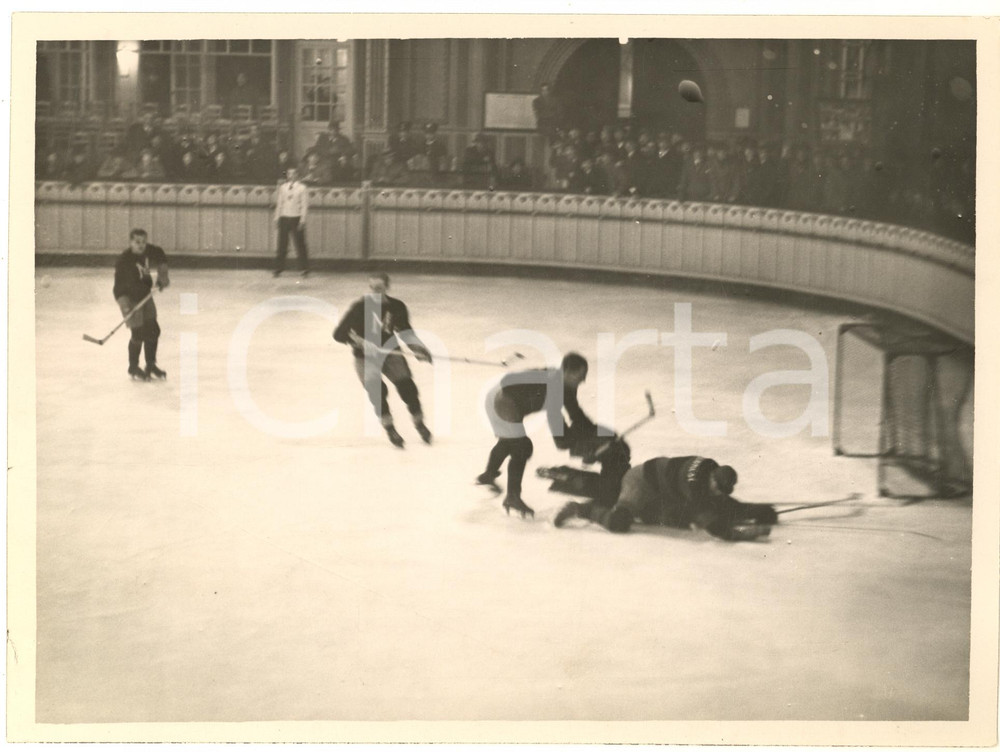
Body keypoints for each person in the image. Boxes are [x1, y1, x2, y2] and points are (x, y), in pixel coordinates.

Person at [546, 455, 777, 541]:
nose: (717, 492)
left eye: (720, 490)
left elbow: (725, 503)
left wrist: (762, 512)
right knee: (620, 523)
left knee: (710, 510)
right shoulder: (695, 483)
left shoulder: (711, 476)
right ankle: (580, 509)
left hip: (663, 490)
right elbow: (712, 523)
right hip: (640, 482)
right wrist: (743, 535)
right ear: (712, 478)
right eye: (716, 487)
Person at [476, 353, 594, 519]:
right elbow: (507, 382)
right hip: (502, 401)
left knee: (511, 442)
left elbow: (575, 414)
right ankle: (512, 496)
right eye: (580, 376)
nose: (583, 381)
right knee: (522, 447)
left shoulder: (566, 388)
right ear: (566, 371)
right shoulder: (550, 382)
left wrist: (596, 433)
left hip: (504, 401)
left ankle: (488, 475)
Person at [332, 272, 434, 449]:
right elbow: (339, 334)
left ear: (387, 287)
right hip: (364, 357)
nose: (374, 292)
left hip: (390, 353)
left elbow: (405, 332)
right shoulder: (359, 307)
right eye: (371, 288)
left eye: (378, 288)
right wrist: (361, 342)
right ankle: (390, 428)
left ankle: (419, 424)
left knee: (408, 388)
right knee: (378, 391)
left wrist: (418, 349)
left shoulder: (397, 307)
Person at [113, 228, 170, 381]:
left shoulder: (148, 250)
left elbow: (160, 254)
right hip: (127, 297)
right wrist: (126, 307)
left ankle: (150, 364)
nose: (141, 245)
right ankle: (133, 367)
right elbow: (122, 287)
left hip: (144, 295)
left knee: (153, 330)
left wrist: (162, 276)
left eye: (143, 242)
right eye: (137, 242)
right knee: (138, 333)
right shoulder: (124, 261)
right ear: (131, 242)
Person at [273, 166, 310, 277]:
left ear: (297, 175)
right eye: (289, 174)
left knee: (300, 244)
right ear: (287, 175)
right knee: (282, 245)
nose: (291, 176)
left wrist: (302, 220)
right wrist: (277, 217)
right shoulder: (283, 187)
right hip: (284, 217)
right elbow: (280, 204)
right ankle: (278, 268)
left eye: (294, 173)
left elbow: (304, 205)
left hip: (296, 218)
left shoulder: (302, 188)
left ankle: (304, 269)